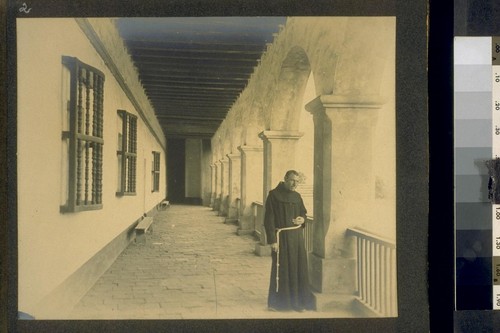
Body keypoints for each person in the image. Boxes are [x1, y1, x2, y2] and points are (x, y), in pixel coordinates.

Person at [264, 170, 315, 312]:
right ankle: (279, 303)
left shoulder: (297, 196)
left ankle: (298, 302)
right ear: (285, 179)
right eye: (292, 180)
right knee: (282, 268)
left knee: (298, 268)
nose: (295, 184)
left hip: (297, 238)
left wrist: (302, 219)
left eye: (297, 181)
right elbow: (269, 219)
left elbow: (303, 212)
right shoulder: (273, 195)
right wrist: (273, 240)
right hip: (282, 237)